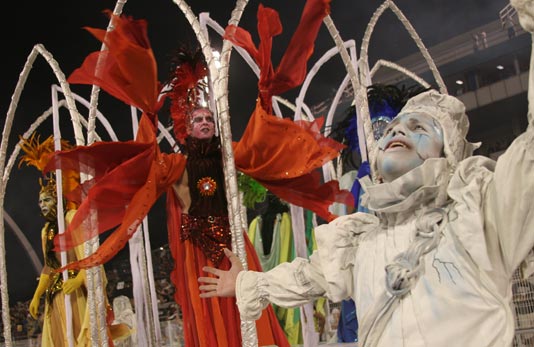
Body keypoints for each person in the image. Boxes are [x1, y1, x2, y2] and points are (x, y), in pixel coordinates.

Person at [44, 1, 352, 346]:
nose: (204, 122)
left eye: (209, 118)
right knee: (209, 319)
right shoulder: (174, 165)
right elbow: (144, 168)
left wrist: (264, 99)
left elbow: (260, 145)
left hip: (234, 245)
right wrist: (148, 114)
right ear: (184, 126)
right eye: (197, 119)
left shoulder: (228, 156)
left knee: (247, 310)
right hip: (197, 254)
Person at [199, 83, 534, 347]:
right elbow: (306, 277)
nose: (397, 132)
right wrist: (246, 283)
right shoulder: (360, 239)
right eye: (391, 130)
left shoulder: (478, 211)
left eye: (418, 127)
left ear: (448, 152)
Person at [20, 134, 129, 347]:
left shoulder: (71, 219)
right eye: (40, 201)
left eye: (47, 200)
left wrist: (80, 279)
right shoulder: (46, 231)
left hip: (75, 292)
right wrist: (37, 295)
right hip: (56, 295)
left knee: (79, 337)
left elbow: (89, 258)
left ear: (58, 200)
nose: (42, 205)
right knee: (59, 338)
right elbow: (48, 266)